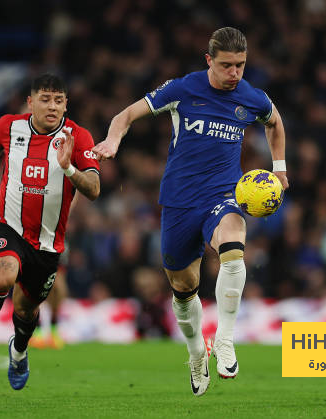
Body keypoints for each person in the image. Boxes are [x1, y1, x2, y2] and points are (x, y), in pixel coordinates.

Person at [92, 27, 289, 396]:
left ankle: (226, 340)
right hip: (180, 203)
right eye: (227, 65)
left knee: (233, 244)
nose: (235, 74)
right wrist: (114, 139)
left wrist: (279, 166)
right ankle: (197, 352)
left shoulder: (252, 97)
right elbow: (126, 114)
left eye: (241, 65)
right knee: (183, 290)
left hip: (223, 195)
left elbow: (275, 122)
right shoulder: (182, 89)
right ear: (209, 60)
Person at [0, 73, 100, 390]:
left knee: (26, 310)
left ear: (66, 103)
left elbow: (94, 188)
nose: (52, 106)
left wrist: (68, 168)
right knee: (1, 277)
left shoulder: (78, 138)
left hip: (47, 243)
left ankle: (19, 352)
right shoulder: (9, 127)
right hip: (6, 223)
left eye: (58, 100)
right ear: (30, 102)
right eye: (45, 99)